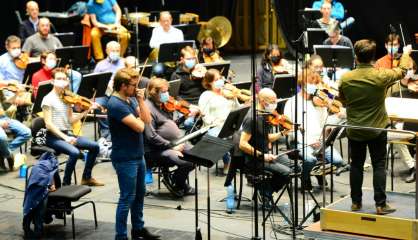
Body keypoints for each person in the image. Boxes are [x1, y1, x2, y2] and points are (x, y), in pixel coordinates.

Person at [339, 39, 413, 215]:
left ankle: (356, 203)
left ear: (356, 57)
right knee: (379, 165)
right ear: (373, 57)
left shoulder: (345, 78)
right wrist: (406, 54)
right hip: (376, 129)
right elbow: (402, 71)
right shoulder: (381, 75)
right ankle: (380, 205)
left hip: (355, 129)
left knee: (356, 165)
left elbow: (343, 100)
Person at [107, 68, 160, 240]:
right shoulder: (115, 104)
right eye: (133, 85)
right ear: (123, 86)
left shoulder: (130, 99)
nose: (136, 87)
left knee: (139, 195)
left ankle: (138, 228)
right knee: (126, 198)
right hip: (124, 158)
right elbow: (140, 127)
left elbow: (147, 119)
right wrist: (140, 119)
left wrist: (140, 100)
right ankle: (120, 236)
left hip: (138, 155)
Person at [41, 68, 103, 186]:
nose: (62, 81)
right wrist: (66, 138)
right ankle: (66, 183)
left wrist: (87, 110)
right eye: (59, 79)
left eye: (64, 79)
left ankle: (87, 177)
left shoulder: (67, 98)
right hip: (52, 137)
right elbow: (48, 124)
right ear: (52, 81)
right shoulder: (47, 99)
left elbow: (71, 120)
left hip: (66, 134)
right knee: (75, 152)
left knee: (95, 146)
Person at [284, 69, 345, 190]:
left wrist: (337, 118)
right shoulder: (292, 103)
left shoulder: (319, 103)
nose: (316, 86)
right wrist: (308, 142)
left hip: (320, 141)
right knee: (310, 159)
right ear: (303, 84)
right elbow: (291, 129)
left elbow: (325, 124)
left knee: (338, 161)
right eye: (313, 83)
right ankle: (305, 176)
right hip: (301, 142)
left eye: (317, 83)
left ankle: (317, 172)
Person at [239, 88, 294, 199]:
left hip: (266, 154)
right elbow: (242, 144)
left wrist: (282, 133)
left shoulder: (264, 115)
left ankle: (266, 188)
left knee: (296, 166)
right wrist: (262, 156)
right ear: (263, 101)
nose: (275, 105)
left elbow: (266, 138)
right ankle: (265, 191)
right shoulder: (252, 118)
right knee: (287, 173)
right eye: (273, 102)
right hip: (254, 159)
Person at [144, 77, 194, 197]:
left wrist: (185, 117)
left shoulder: (163, 104)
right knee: (186, 162)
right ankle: (179, 183)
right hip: (156, 150)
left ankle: (176, 181)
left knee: (197, 156)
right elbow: (151, 136)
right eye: (163, 92)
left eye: (167, 91)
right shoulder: (147, 108)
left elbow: (170, 124)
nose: (167, 95)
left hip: (173, 144)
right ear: (153, 92)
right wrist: (171, 146)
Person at [199, 69, 241, 173]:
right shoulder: (206, 95)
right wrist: (217, 124)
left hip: (230, 124)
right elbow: (205, 117)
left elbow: (237, 108)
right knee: (220, 135)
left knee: (243, 132)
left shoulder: (228, 93)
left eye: (220, 78)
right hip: (214, 126)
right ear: (209, 82)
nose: (220, 81)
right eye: (216, 80)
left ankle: (239, 161)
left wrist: (235, 97)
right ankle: (228, 163)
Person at [93, 41, 125, 139]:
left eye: (117, 50)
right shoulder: (100, 65)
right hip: (104, 93)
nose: (115, 52)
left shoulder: (124, 63)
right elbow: (94, 82)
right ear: (106, 51)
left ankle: (122, 130)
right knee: (98, 105)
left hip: (120, 93)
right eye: (112, 50)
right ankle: (106, 132)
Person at [0, 96, 31, 171]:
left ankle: (3, 153)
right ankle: (9, 155)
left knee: (27, 132)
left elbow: (5, 103)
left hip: (4, 118)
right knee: (2, 138)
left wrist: (15, 98)